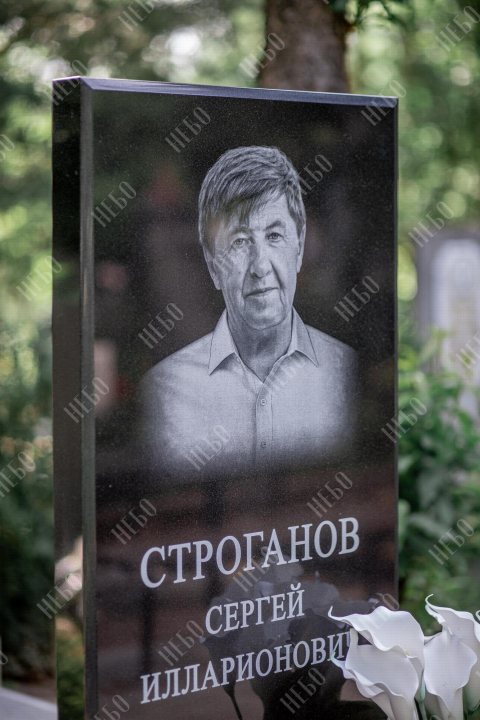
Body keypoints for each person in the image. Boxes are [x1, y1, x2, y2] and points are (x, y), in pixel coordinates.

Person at [140, 146, 357, 477]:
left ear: (300, 248)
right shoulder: (169, 387)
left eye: (274, 235)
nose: (260, 267)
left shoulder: (341, 370)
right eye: (239, 242)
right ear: (213, 264)